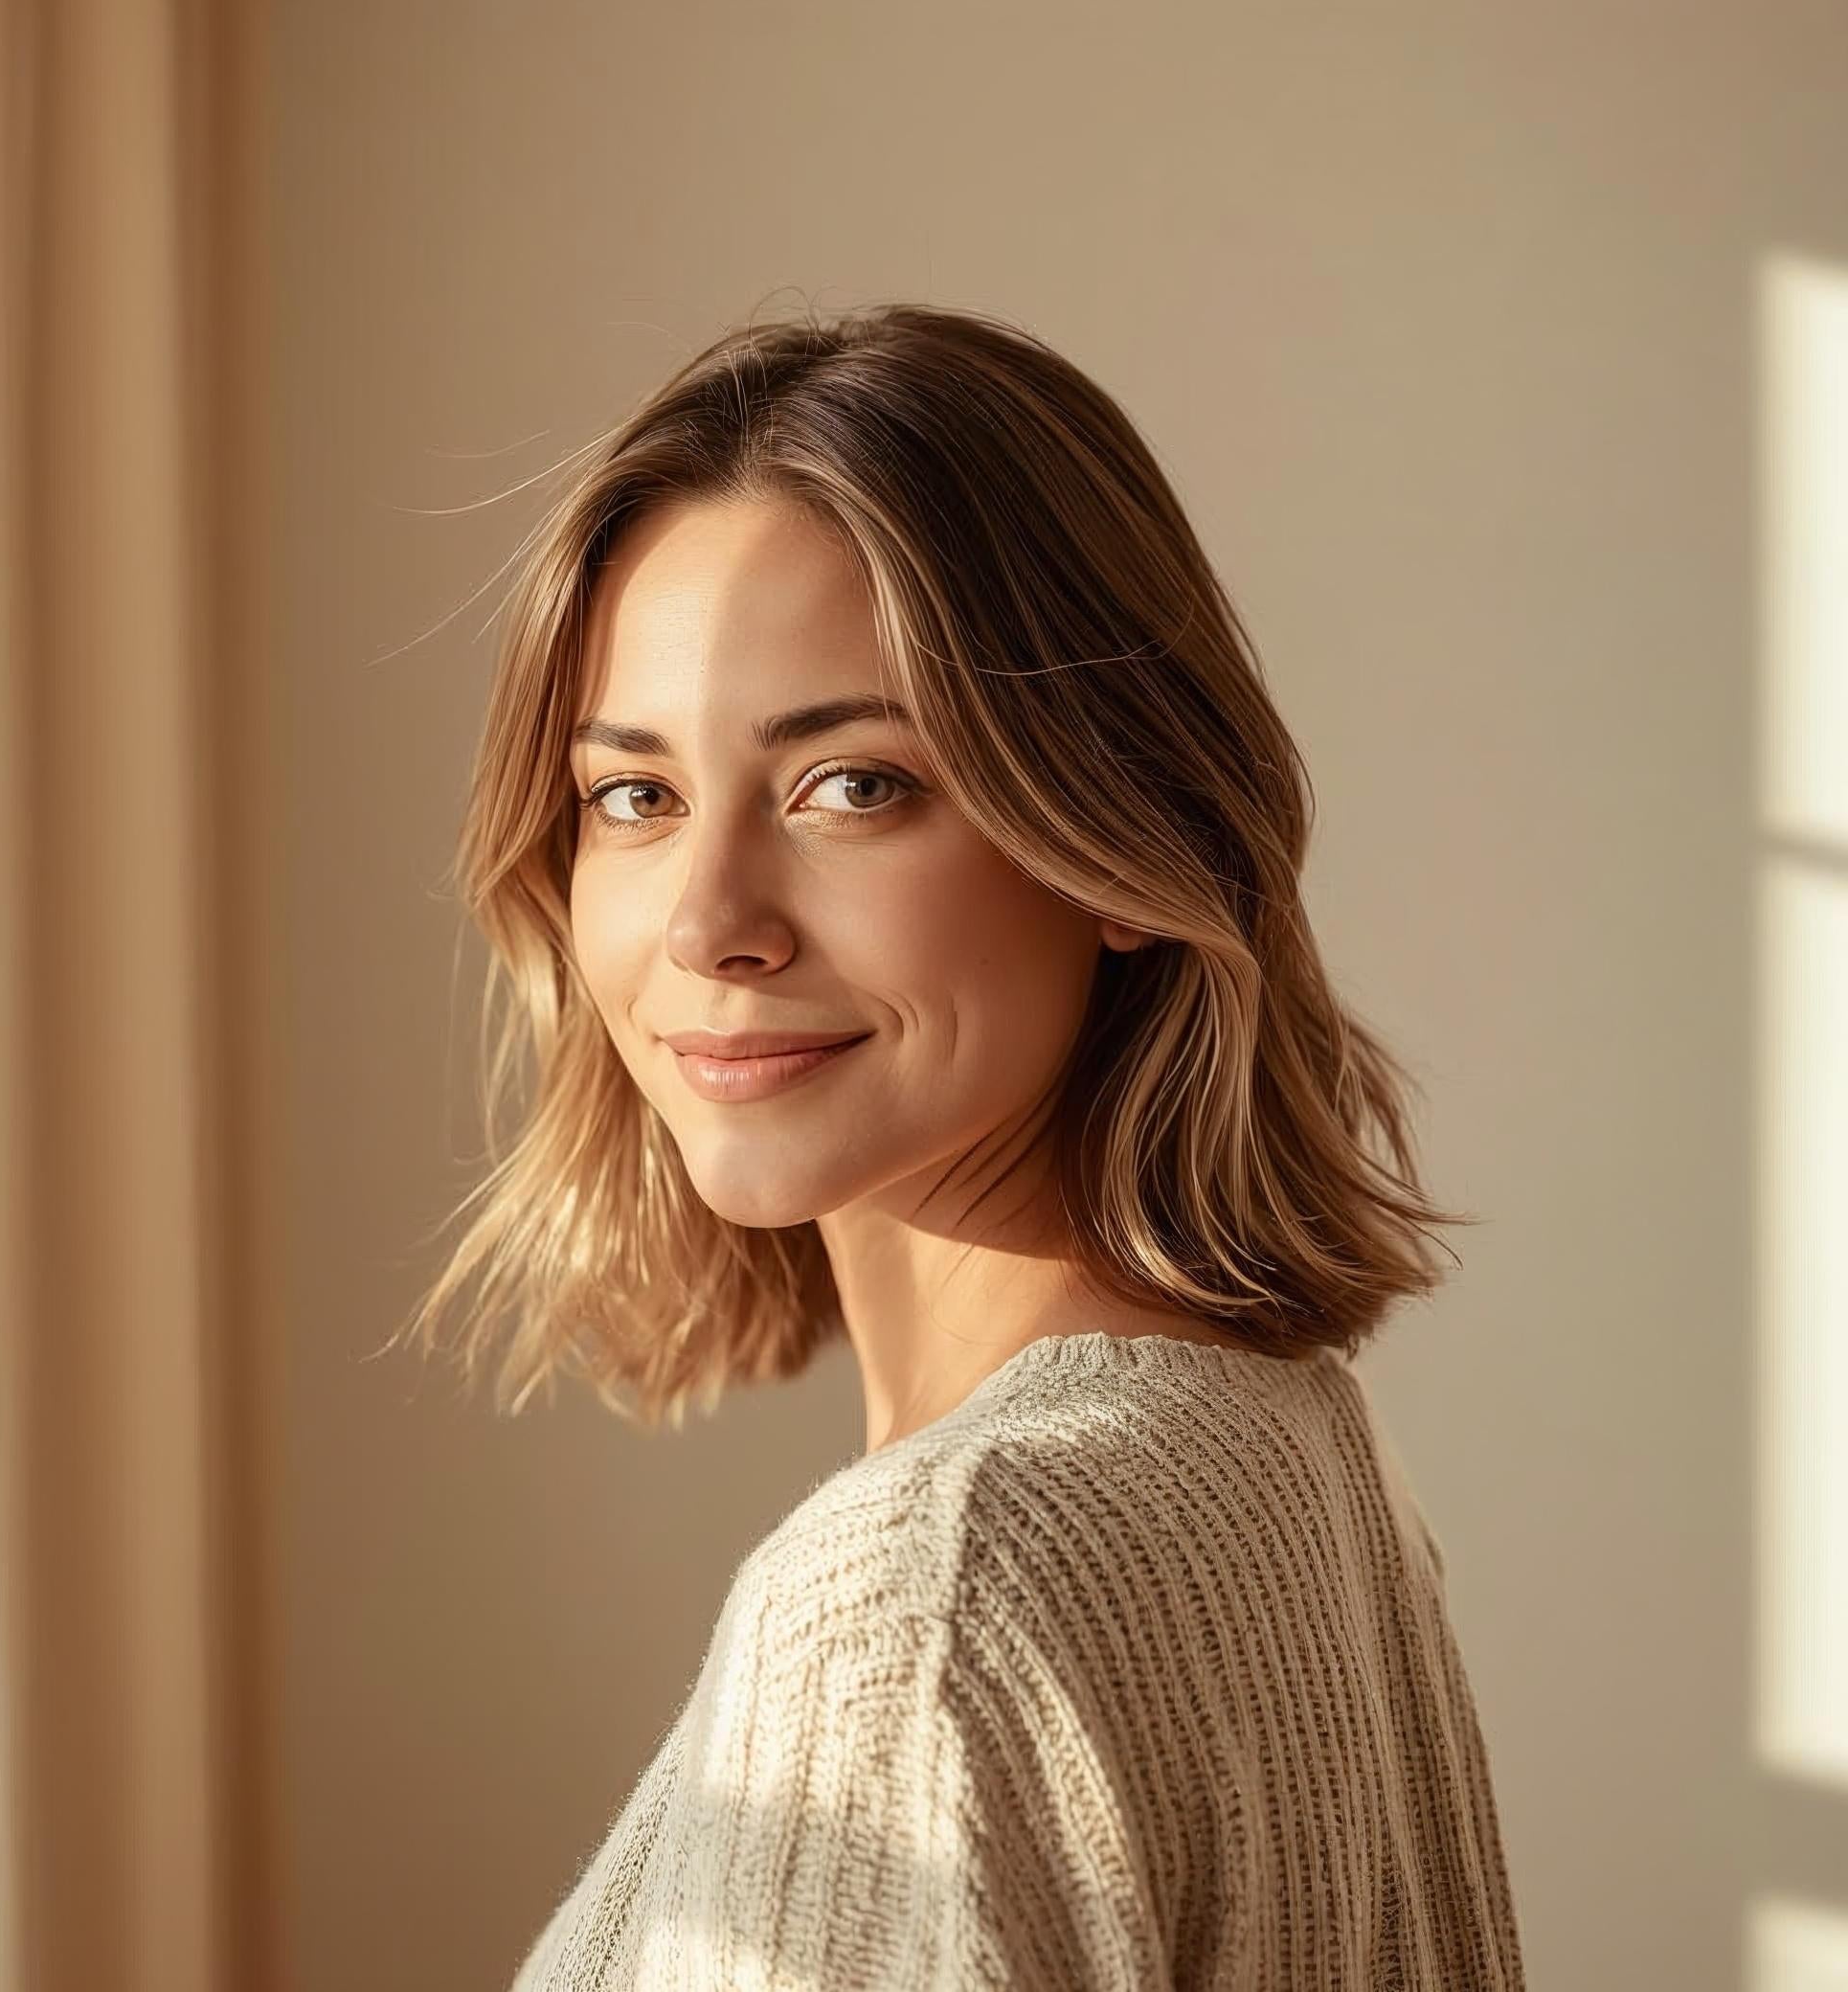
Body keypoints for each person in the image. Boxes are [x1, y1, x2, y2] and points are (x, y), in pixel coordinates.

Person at [387, 302, 1527, 1988]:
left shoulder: (925, 1602)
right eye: (634, 796)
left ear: (1118, 832)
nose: (710, 921)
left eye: (853, 785)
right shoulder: (1292, 1456)